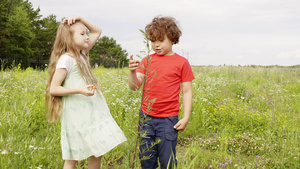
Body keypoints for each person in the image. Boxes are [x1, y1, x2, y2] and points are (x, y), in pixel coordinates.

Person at [45, 16, 127, 169]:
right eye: (82, 34)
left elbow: (98, 30)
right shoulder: (66, 59)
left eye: (86, 33)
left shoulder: (82, 53)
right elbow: (54, 89)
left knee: (97, 151)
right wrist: (79, 90)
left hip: (91, 110)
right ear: (69, 37)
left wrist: (80, 18)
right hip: (77, 113)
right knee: (73, 158)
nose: (87, 36)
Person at [128, 16, 194, 169]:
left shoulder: (182, 62)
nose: (156, 44)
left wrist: (186, 117)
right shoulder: (147, 60)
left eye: (160, 40)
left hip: (168, 121)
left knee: (167, 161)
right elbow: (135, 86)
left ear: (172, 39)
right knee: (146, 160)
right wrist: (132, 72)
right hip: (146, 119)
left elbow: (187, 91)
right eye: (152, 40)